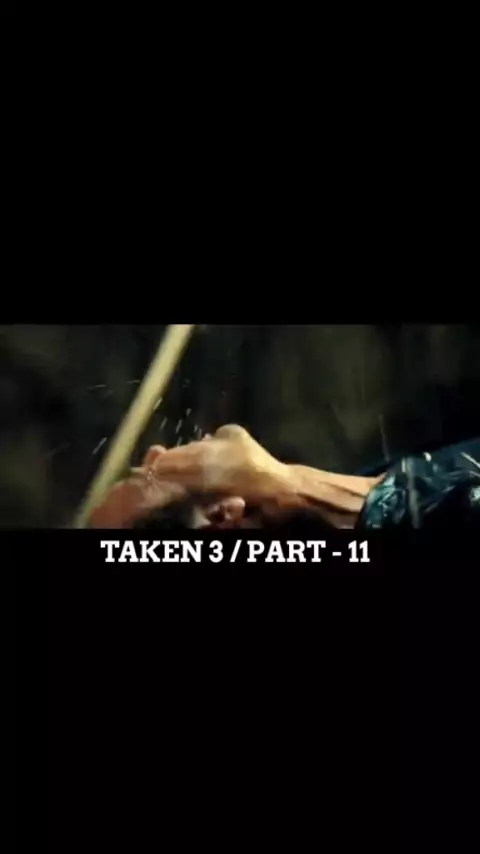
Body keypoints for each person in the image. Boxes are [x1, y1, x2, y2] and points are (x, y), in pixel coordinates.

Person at [89, 425, 480, 530]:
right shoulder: (436, 513)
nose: (156, 452)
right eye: (148, 476)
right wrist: (290, 486)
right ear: (225, 514)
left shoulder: (386, 483)